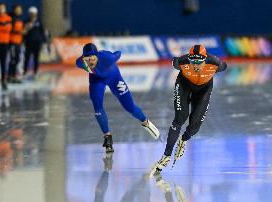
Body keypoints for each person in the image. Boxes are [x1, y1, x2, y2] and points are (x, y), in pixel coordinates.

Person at [152, 45, 227, 174]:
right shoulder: (182, 61)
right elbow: (173, 61)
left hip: (204, 90)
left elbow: (225, 65)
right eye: (193, 61)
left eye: (199, 62)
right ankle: (166, 156)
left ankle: (184, 139)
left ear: (205, 59)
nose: (195, 65)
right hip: (184, 85)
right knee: (180, 119)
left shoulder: (215, 63)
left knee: (195, 125)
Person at [76, 43, 160, 153]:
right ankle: (107, 137)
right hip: (96, 81)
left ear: (97, 56)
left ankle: (145, 122)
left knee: (129, 107)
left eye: (92, 59)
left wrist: (108, 54)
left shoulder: (108, 58)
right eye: (87, 60)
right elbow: (80, 62)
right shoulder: (80, 63)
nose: (90, 62)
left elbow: (118, 53)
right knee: (97, 108)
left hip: (114, 78)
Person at [23, 6, 46, 76]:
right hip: (29, 42)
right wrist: (27, 27)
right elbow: (23, 32)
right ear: (29, 14)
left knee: (36, 57)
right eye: (31, 13)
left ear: (36, 13)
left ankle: (35, 71)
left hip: (37, 42)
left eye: (34, 13)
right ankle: (25, 71)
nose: (33, 14)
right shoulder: (26, 22)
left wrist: (44, 41)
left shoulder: (39, 22)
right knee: (27, 57)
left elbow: (42, 32)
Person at [8, 4, 24, 83]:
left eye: (20, 9)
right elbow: (10, 30)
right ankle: (10, 76)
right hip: (13, 42)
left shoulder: (20, 19)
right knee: (13, 59)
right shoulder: (12, 19)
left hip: (18, 42)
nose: (19, 11)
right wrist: (19, 31)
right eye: (18, 9)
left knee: (17, 59)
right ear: (14, 10)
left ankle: (13, 75)